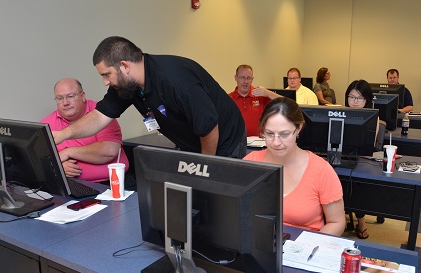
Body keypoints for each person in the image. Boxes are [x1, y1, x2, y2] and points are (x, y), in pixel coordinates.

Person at [52, 36, 247, 158]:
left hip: (225, 142)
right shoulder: (127, 84)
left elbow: (209, 126)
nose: (105, 82)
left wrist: (205, 167)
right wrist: (62, 135)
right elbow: (100, 115)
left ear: (124, 66)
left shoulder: (175, 80)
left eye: (106, 74)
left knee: (220, 205)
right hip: (193, 144)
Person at [243, 97, 345, 236]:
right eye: (269, 134)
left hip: (303, 250)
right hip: (259, 245)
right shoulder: (250, 163)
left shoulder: (321, 170)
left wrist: (307, 248)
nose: (276, 142)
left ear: (298, 128)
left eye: (284, 134)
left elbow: (337, 223)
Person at [41, 78, 129, 183]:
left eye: (70, 96)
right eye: (59, 98)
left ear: (82, 96)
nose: (65, 103)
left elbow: (108, 151)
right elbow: (41, 160)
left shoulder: (102, 114)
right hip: (70, 184)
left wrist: (68, 152)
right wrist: (58, 167)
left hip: (112, 183)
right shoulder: (47, 123)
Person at [344, 79, 381, 239]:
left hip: (361, 159)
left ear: (367, 100)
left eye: (359, 98)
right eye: (351, 97)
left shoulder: (373, 118)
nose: (355, 102)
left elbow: (369, 145)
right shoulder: (339, 113)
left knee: (357, 182)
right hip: (339, 156)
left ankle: (361, 221)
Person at [228, 64, 281, 136]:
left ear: (252, 79)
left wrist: (268, 93)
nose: (246, 81)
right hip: (238, 144)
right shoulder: (229, 99)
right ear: (236, 78)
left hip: (259, 144)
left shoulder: (260, 94)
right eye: (242, 78)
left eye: (249, 78)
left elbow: (288, 104)